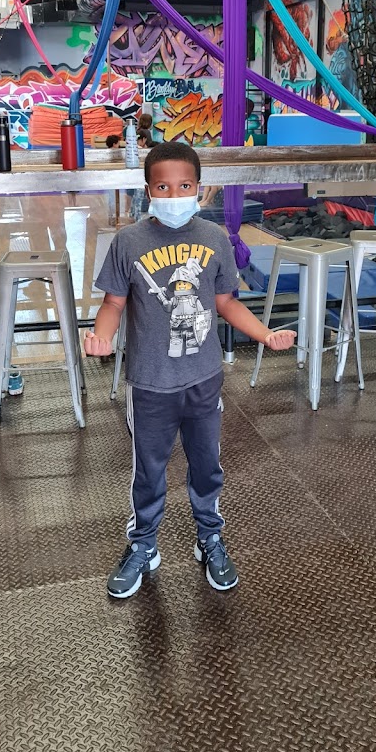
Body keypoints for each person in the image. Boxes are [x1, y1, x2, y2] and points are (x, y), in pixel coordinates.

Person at [85, 142, 296, 599]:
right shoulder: (128, 242)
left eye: (184, 186)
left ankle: (210, 539)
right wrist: (102, 335)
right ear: (148, 190)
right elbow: (113, 303)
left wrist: (264, 335)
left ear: (199, 189)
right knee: (149, 471)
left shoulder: (214, 238)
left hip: (203, 379)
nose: (174, 194)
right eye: (163, 186)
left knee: (207, 466)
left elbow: (225, 303)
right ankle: (143, 545)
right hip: (150, 383)